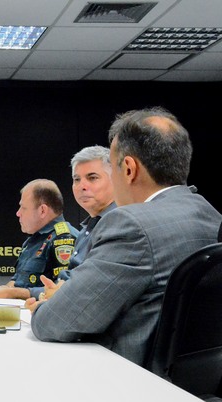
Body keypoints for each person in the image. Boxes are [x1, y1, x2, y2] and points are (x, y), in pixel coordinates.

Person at [29, 107, 222, 367]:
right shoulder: (211, 214)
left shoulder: (131, 226)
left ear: (129, 169)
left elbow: (54, 322)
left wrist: (44, 305)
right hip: (194, 388)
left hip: (128, 386)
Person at [24, 146, 117, 301]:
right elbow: (69, 283)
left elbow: (96, 291)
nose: (82, 186)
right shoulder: (86, 230)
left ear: (116, 179)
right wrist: (24, 293)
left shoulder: (120, 226)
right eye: (77, 179)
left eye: (92, 177)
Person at [0, 179, 78, 299]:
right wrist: (1, 291)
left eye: (23, 208)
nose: (18, 213)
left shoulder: (64, 239)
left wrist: (13, 293)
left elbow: (65, 290)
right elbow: (17, 283)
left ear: (42, 210)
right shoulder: (33, 240)